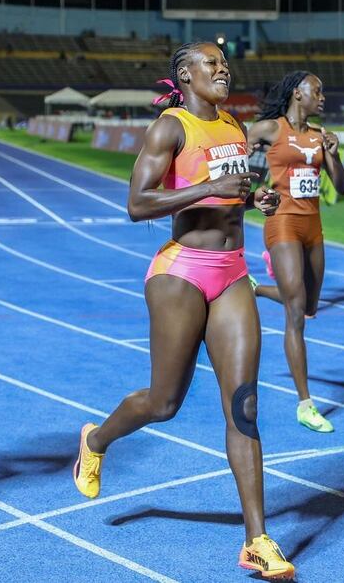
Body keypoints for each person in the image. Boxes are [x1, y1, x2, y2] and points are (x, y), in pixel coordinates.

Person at [73, 42, 295, 580]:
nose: (222, 69)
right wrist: (209, 188)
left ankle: (257, 540)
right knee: (164, 401)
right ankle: (96, 440)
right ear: (185, 75)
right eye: (210, 65)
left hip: (233, 272)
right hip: (181, 272)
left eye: (224, 64)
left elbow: (230, 195)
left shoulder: (235, 129)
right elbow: (136, 203)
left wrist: (252, 199)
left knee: (243, 406)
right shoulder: (169, 128)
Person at [247, 72, 344, 433]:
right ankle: (305, 404)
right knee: (295, 312)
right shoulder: (268, 130)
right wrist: (246, 176)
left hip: (313, 226)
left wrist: (332, 156)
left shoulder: (321, 135)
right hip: (282, 221)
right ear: (296, 93)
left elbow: (342, 187)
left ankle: (255, 288)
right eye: (317, 89)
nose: (322, 95)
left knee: (308, 305)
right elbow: (235, 151)